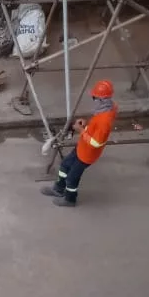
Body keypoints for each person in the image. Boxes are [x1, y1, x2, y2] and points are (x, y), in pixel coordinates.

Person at [41, 79, 118, 208]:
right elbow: (95, 128)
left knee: (72, 178)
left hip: (87, 155)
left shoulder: (105, 120)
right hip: (82, 148)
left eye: (95, 97)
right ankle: (59, 189)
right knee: (65, 165)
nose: (93, 100)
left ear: (101, 100)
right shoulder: (106, 109)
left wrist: (81, 130)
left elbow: (96, 142)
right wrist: (86, 124)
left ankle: (70, 200)